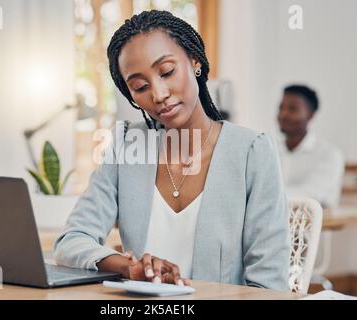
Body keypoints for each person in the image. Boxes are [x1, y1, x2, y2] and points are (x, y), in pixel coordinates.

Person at [54, 10, 290, 291]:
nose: (158, 94)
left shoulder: (252, 151)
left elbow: (269, 286)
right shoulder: (128, 146)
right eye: (140, 86)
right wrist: (130, 267)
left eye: (167, 72)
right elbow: (71, 241)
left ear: (195, 61)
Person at [277, 85, 344, 208]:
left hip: (320, 226)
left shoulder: (329, 154)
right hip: (276, 225)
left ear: (310, 115)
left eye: (292, 109)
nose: (283, 114)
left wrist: (265, 195)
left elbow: (311, 195)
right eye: (281, 108)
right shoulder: (271, 149)